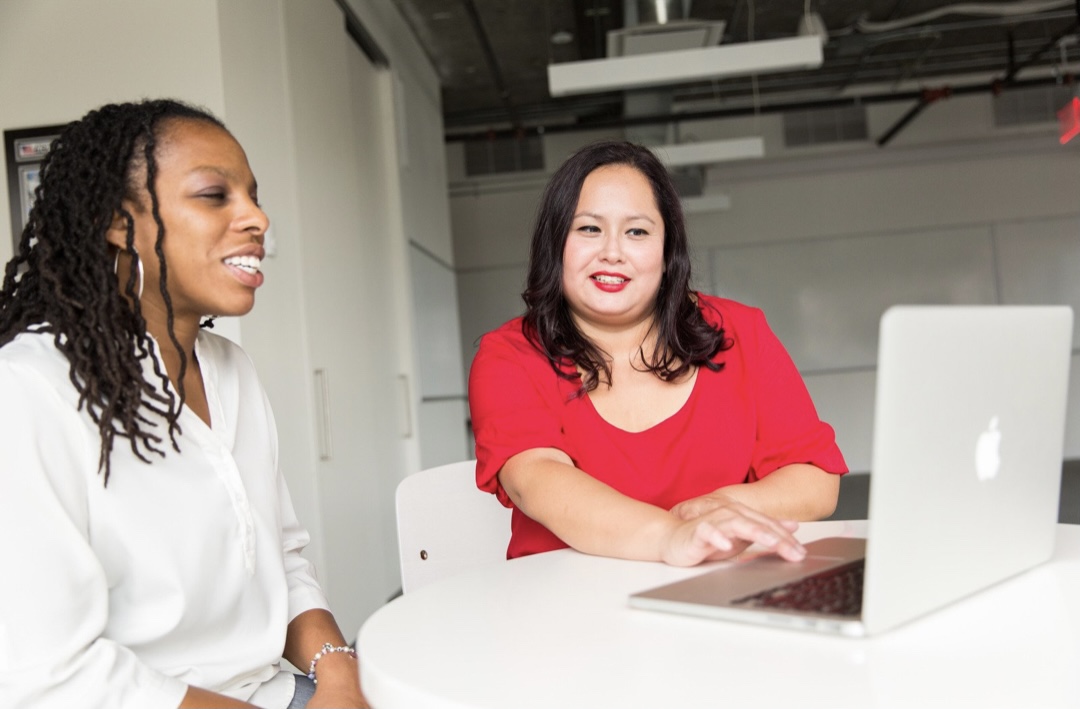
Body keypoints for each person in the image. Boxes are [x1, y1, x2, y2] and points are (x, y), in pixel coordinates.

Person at [0, 100, 367, 709]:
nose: (257, 217)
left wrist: (340, 679)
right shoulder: (28, 389)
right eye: (214, 195)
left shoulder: (233, 372)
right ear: (120, 223)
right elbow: (48, 675)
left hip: (276, 691)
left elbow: (282, 558)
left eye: (253, 195)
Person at [468, 141, 848, 566]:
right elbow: (536, 479)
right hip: (567, 613)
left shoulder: (741, 332)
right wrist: (671, 536)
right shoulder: (509, 356)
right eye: (589, 228)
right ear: (554, 243)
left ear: (668, 253)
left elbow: (815, 482)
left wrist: (710, 512)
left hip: (716, 593)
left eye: (637, 231)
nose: (612, 251)